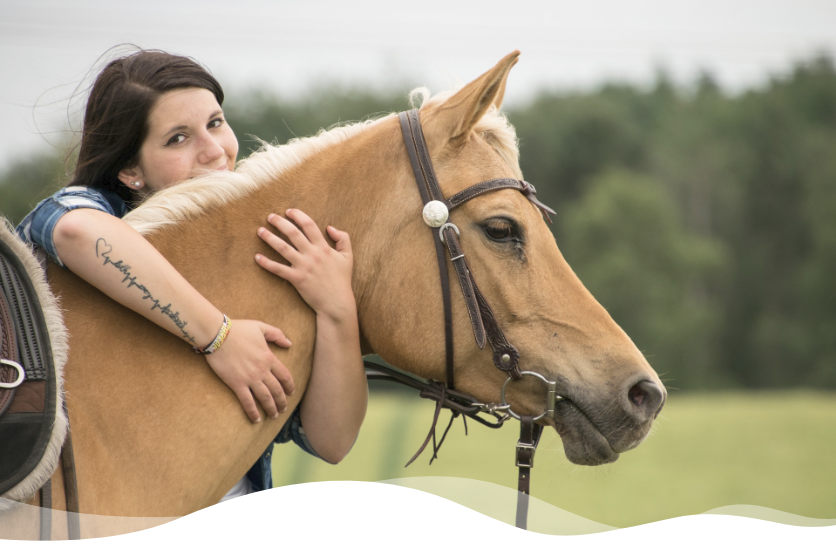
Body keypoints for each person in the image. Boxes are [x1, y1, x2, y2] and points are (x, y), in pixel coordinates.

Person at [16, 48, 368, 500]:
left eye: (216, 123)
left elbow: (332, 441)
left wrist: (337, 308)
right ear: (130, 171)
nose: (214, 151)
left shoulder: (265, 252)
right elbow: (77, 230)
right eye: (178, 138)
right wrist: (219, 337)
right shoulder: (96, 212)